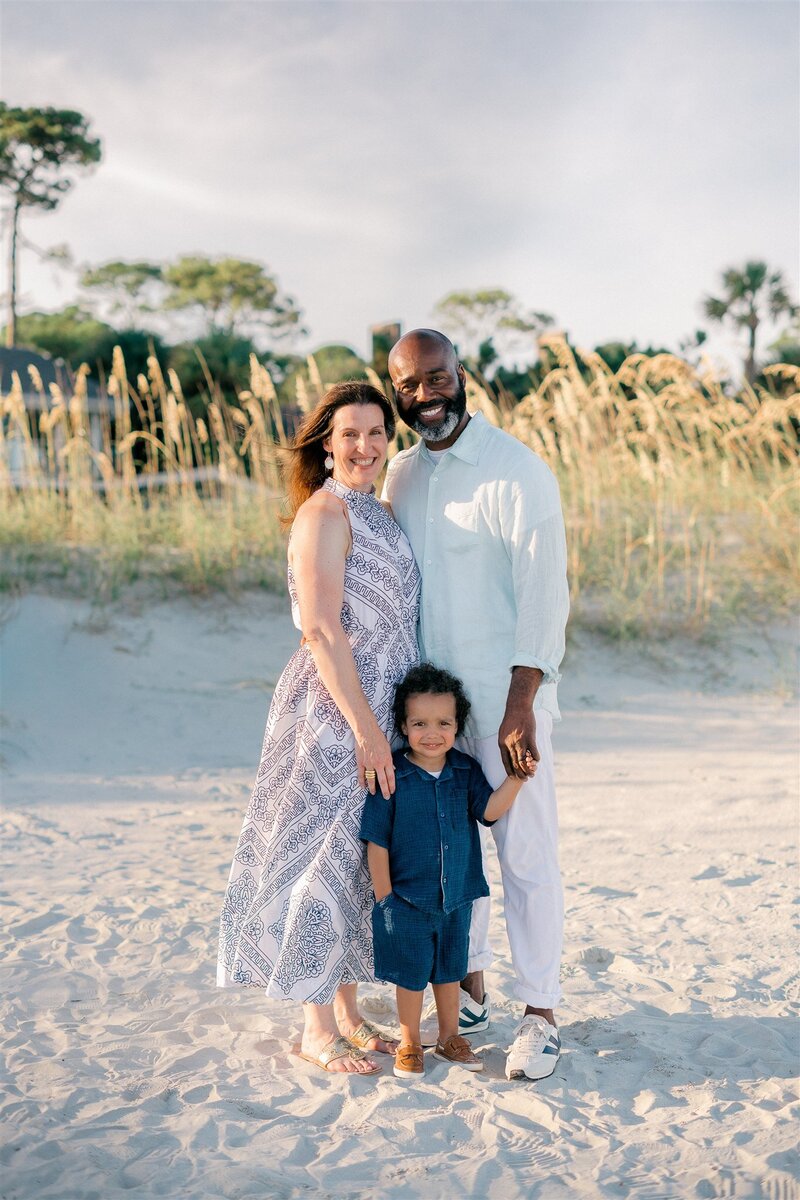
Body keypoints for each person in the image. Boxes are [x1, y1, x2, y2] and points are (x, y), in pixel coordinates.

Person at [217, 381, 420, 1076]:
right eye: (350, 435)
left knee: (357, 865)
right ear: (326, 444)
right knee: (321, 856)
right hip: (336, 711)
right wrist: (365, 728)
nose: (365, 446)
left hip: (383, 707)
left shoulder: (382, 512)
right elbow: (319, 628)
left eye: (376, 433)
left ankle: (349, 1011)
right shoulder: (324, 514)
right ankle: (312, 1026)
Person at [384, 329, 569, 1082]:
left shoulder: (515, 471)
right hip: (434, 714)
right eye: (410, 384)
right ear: (396, 392)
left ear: (462, 376)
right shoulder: (400, 476)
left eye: (438, 377)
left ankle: (542, 1013)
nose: (427, 393)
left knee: (524, 854)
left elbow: (544, 595)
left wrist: (521, 702)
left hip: (506, 701)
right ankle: (474, 993)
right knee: (450, 859)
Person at [360, 663, 533, 1079]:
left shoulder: (464, 771)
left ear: (457, 726)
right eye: (419, 723)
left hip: (457, 894)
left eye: (443, 723)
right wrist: (385, 898)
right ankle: (408, 1042)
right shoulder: (394, 774)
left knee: (450, 970)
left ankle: (450, 1037)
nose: (431, 733)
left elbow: (489, 812)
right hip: (406, 899)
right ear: (403, 725)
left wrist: (517, 777)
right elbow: (376, 841)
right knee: (412, 975)